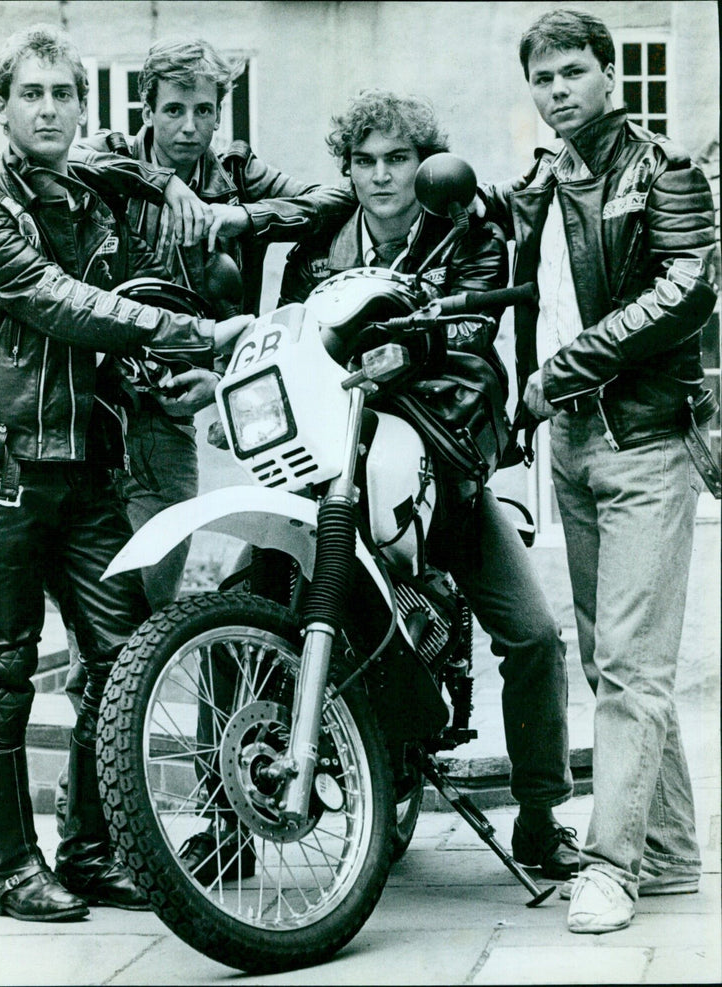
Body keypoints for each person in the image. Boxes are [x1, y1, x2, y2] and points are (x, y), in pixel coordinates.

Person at [0, 24, 251, 923]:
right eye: (32, 94)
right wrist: (189, 333)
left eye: (64, 94)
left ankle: (92, 847)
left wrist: (170, 186)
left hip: (88, 470)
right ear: (2, 108)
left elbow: (135, 283)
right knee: (2, 668)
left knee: (121, 657)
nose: (50, 109)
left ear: (82, 107)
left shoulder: (91, 198)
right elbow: (64, 306)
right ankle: (11, 868)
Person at [280, 89, 579, 880]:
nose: (383, 177)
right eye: (366, 162)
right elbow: (287, 331)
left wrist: (401, 355)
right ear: (345, 167)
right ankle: (224, 803)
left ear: (425, 163)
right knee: (248, 588)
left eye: (399, 159)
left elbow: (474, 337)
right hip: (333, 459)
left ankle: (543, 818)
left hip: (439, 458)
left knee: (535, 634)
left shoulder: (466, 229)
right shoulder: (314, 241)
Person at [478, 8, 718, 934]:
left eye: (574, 71)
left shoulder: (664, 171)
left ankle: (611, 865)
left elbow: (688, 287)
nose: (559, 90)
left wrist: (558, 375)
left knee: (628, 661)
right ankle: (666, 853)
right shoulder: (544, 180)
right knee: (621, 660)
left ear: (610, 75)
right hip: (571, 445)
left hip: (650, 442)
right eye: (543, 78)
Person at [72, 37, 355, 609]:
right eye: (173, 109)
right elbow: (73, 159)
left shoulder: (236, 172)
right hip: (88, 413)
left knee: (151, 606)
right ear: (146, 108)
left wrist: (241, 217)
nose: (188, 128)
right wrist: (161, 184)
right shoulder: (109, 152)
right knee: (95, 622)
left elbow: (336, 197)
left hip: (170, 421)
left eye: (204, 111)